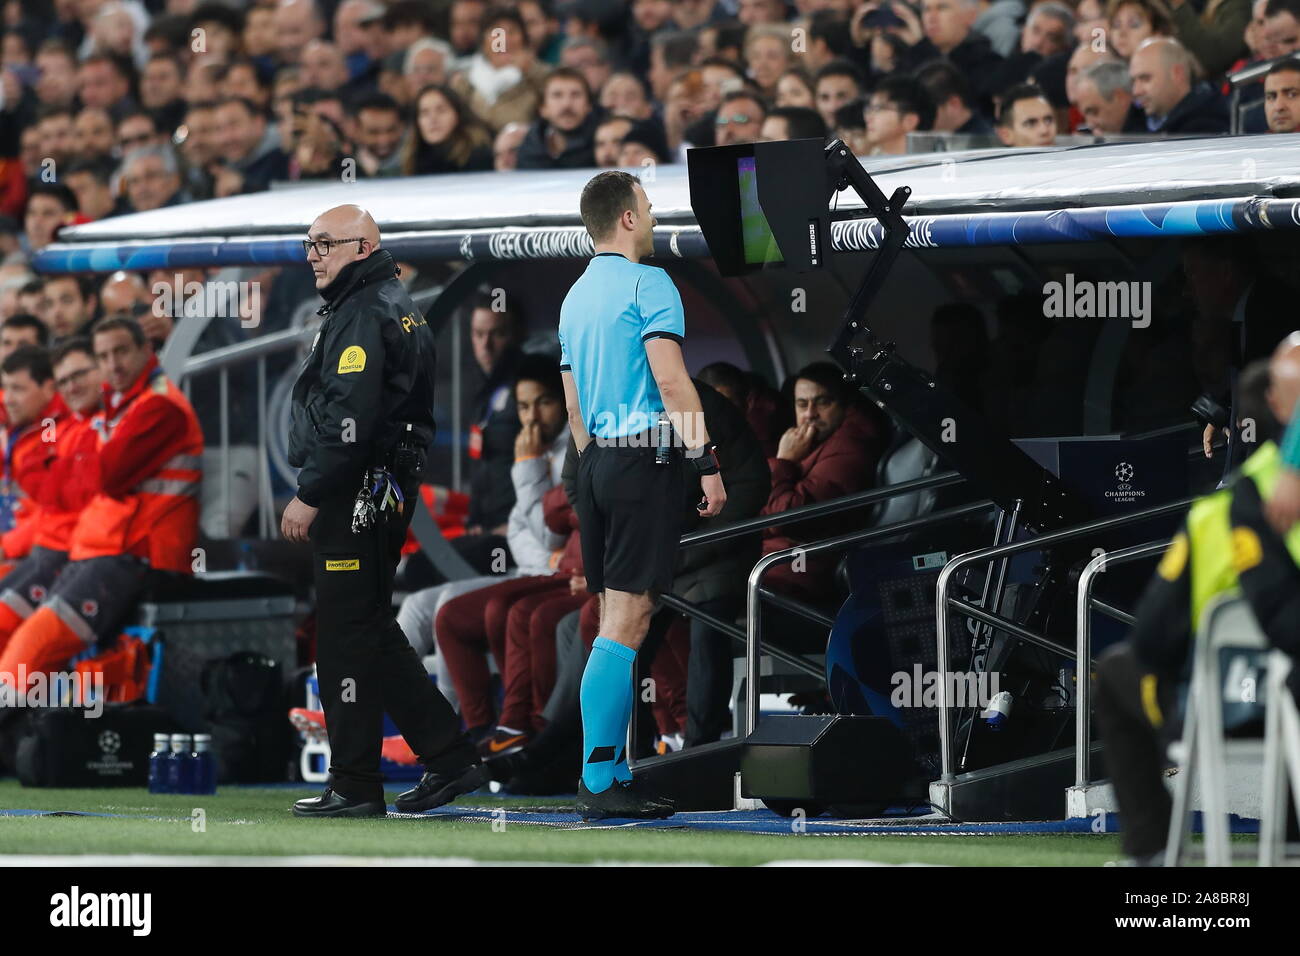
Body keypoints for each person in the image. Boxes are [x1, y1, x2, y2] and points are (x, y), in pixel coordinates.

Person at [284, 204, 485, 818]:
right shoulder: (373, 306)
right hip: (376, 487)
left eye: (323, 243)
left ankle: (354, 784)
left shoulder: (368, 314)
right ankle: (449, 756)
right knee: (366, 628)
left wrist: (310, 491)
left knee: (345, 640)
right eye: (308, 243)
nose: (312, 253)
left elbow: (352, 421)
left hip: (358, 491)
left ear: (363, 247)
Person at [558, 170, 726, 819]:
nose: (655, 219)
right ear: (627, 216)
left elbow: (573, 408)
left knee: (613, 621)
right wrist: (705, 463)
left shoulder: (574, 298)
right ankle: (599, 781)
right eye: (650, 208)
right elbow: (674, 383)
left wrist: (594, 471)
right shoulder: (649, 282)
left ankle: (615, 770)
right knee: (627, 623)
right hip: (640, 461)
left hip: (596, 461)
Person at [1094, 347, 1300, 864]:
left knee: (1120, 668)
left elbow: (1153, 636)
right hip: (1284, 701)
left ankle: (1155, 852)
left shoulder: (1219, 513)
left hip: (1230, 709)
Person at [0, 318, 201, 691]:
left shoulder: (156, 404)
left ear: (146, 350)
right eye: (104, 356)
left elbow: (102, 478)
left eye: (121, 351)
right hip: (94, 549)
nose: (113, 364)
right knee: (18, 645)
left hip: (139, 554)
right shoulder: (113, 409)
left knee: (28, 650)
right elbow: (58, 488)